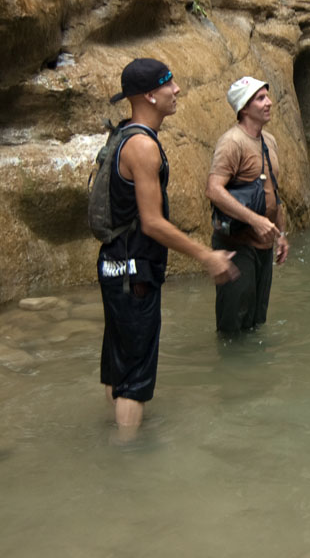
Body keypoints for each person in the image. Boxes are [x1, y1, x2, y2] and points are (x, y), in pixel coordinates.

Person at [98, 58, 238, 434]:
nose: (176, 91)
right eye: (168, 85)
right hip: (135, 273)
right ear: (149, 95)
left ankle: (113, 436)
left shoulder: (122, 134)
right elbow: (153, 222)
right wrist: (206, 255)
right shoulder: (142, 146)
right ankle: (126, 461)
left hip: (114, 266)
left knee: (119, 363)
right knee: (135, 379)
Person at [206, 76, 289, 336]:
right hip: (237, 245)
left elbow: (274, 193)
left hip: (264, 245)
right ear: (244, 108)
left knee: (255, 321)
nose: (269, 103)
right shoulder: (232, 142)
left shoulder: (270, 141)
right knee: (233, 325)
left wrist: (282, 235)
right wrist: (255, 220)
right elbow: (214, 190)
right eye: (261, 98)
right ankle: (228, 373)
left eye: (268, 96)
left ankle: (252, 375)